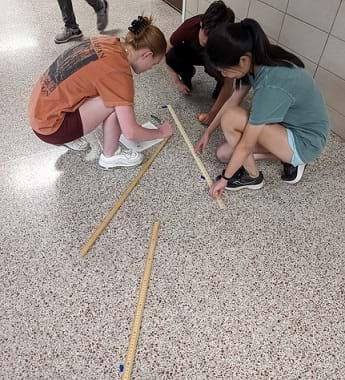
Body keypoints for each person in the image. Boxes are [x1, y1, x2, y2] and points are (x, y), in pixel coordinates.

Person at [194, 18, 329, 198]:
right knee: (223, 154)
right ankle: (285, 157)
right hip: (287, 126)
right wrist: (208, 132)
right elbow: (232, 101)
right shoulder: (255, 60)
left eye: (224, 70)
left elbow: (246, 143)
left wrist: (224, 179)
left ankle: (253, 178)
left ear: (243, 60)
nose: (224, 75)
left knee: (231, 119)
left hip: (306, 140)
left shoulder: (271, 84)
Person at [29, 16, 173, 169]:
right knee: (116, 102)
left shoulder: (109, 42)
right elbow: (130, 132)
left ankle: (70, 134)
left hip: (39, 114)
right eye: (154, 64)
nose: (150, 69)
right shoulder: (119, 73)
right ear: (147, 55)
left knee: (108, 91)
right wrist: (160, 132)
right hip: (51, 129)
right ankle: (111, 156)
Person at [166, 1, 235, 126]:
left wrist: (212, 115)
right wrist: (177, 81)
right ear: (202, 24)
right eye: (206, 34)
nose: (208, 41)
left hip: (213, 58)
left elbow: (230, 83)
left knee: (220, 74)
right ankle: (187, 75)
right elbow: (166, 51)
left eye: (214, 39)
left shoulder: (227, 42)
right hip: (193, 53)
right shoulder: (189, 26)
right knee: (172, 56)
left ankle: (219, 82)